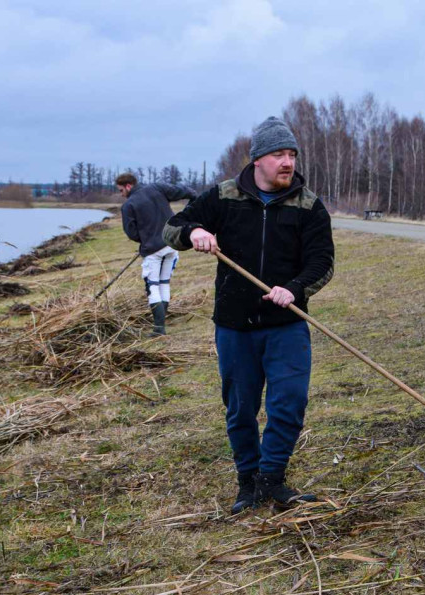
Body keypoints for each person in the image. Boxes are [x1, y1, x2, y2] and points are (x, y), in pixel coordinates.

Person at [163, 116, 334, 513]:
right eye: (279, 154)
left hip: (287, 324)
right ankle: (247, 483)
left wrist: (293, 288)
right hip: (235, 326)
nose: (287, 162)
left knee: (288, 402)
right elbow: (172, 229)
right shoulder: (222, 197)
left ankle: (272, 480)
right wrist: (193, 233)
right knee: (240, 407)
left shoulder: (308, 205)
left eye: (291, 154)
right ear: (257, 159)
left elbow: (322, 262)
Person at [117, 172, 197, 336]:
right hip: (172, 245)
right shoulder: (157, 188)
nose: (121, 194)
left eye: (120, 190)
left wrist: (146, 239)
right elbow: (189, 193)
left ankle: (159, 329)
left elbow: (132, 233)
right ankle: (160, 326)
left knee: (153, 286)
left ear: (128, 186)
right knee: (164, 283)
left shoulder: (128, 206)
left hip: (153, 250)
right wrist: (187, 215)